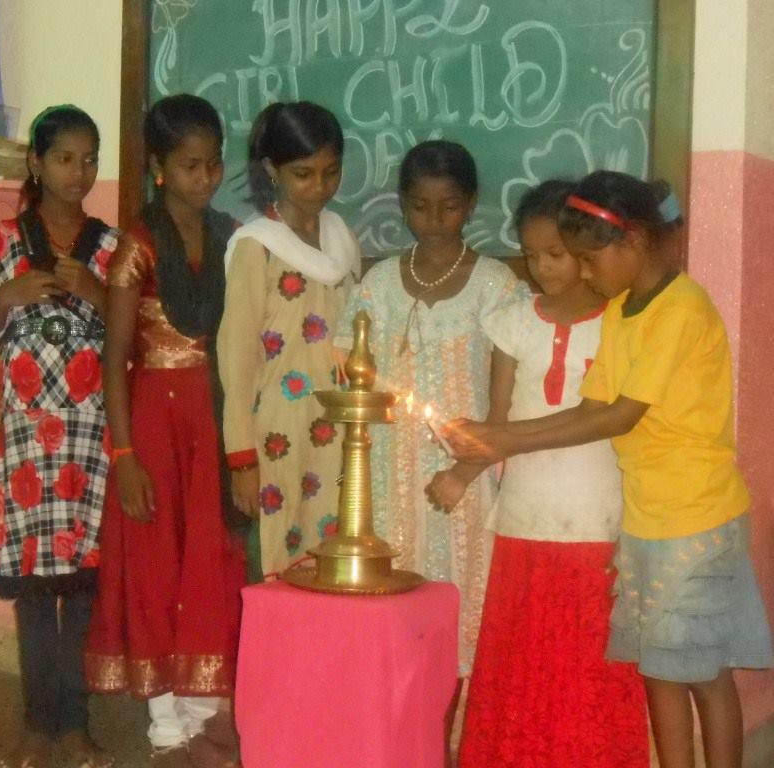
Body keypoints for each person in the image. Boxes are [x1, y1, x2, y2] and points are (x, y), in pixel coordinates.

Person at [445, 170, 774, 768]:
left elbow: (618, 416)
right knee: (661, 670)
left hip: (696, 517)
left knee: (702, 670)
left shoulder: (680, 308)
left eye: (589, 260)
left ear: (635, 243)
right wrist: (497, 440)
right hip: (647, 519)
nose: (584, 274)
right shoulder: (624, 313)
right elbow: (590, 406)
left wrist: (501, 438)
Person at [331, 139, 527, 747]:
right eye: (419, 207)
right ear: (402, 206)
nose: (433, 220)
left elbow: (507, 398)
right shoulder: (380, 282)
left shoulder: (496, 286)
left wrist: (471, 465)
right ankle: (398, 741)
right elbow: (350, 370)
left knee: (461, 607)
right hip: (391, 470)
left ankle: (452, 741)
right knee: (395, 607)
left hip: (464, 474)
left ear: (469, 204)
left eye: (447, 207)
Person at [457, 180, 648, 767]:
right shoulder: (510, 323)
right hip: (523, 516)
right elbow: (495, 425)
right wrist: (462, 467)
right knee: (524, 657)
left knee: (588, 657)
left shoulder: (622, 322)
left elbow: (624, 419)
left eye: (556, 254)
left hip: (598, 517)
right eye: (530, 253)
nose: (541, 268)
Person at [86, 94, 244, 768]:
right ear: (158, 169)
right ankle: (163, 721)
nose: (204, 178)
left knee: (208, 556)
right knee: (155, 560)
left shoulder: (233, 237)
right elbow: (116, 357)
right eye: (189, 166)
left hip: (211, 414)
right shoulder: (137, 245)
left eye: (212, 164)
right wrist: (124, 455)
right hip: (153, 416)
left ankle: (204, 710)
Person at [0, 104, 117, 768]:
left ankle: (75, 725)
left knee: (82, 587)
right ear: (36, 162)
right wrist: (6, 300)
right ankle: (38, 723)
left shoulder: (111, 248)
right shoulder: (3, 242)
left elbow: (131, 348)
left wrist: (94, 294)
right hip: (30, 442)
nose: (79, 172)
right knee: (35, 590)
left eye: (90, 159)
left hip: (89, 442)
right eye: (65, 157)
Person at [217, 101, 361, 581]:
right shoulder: (256, 246)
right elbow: (236, 359)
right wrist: (242, 460)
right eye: (303, 174)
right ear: (272, 171)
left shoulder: (341, 237)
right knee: (282, 563)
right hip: (276, 434)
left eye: (331, 172)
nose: (319, 188)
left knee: (336, 559)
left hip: (339, 430)